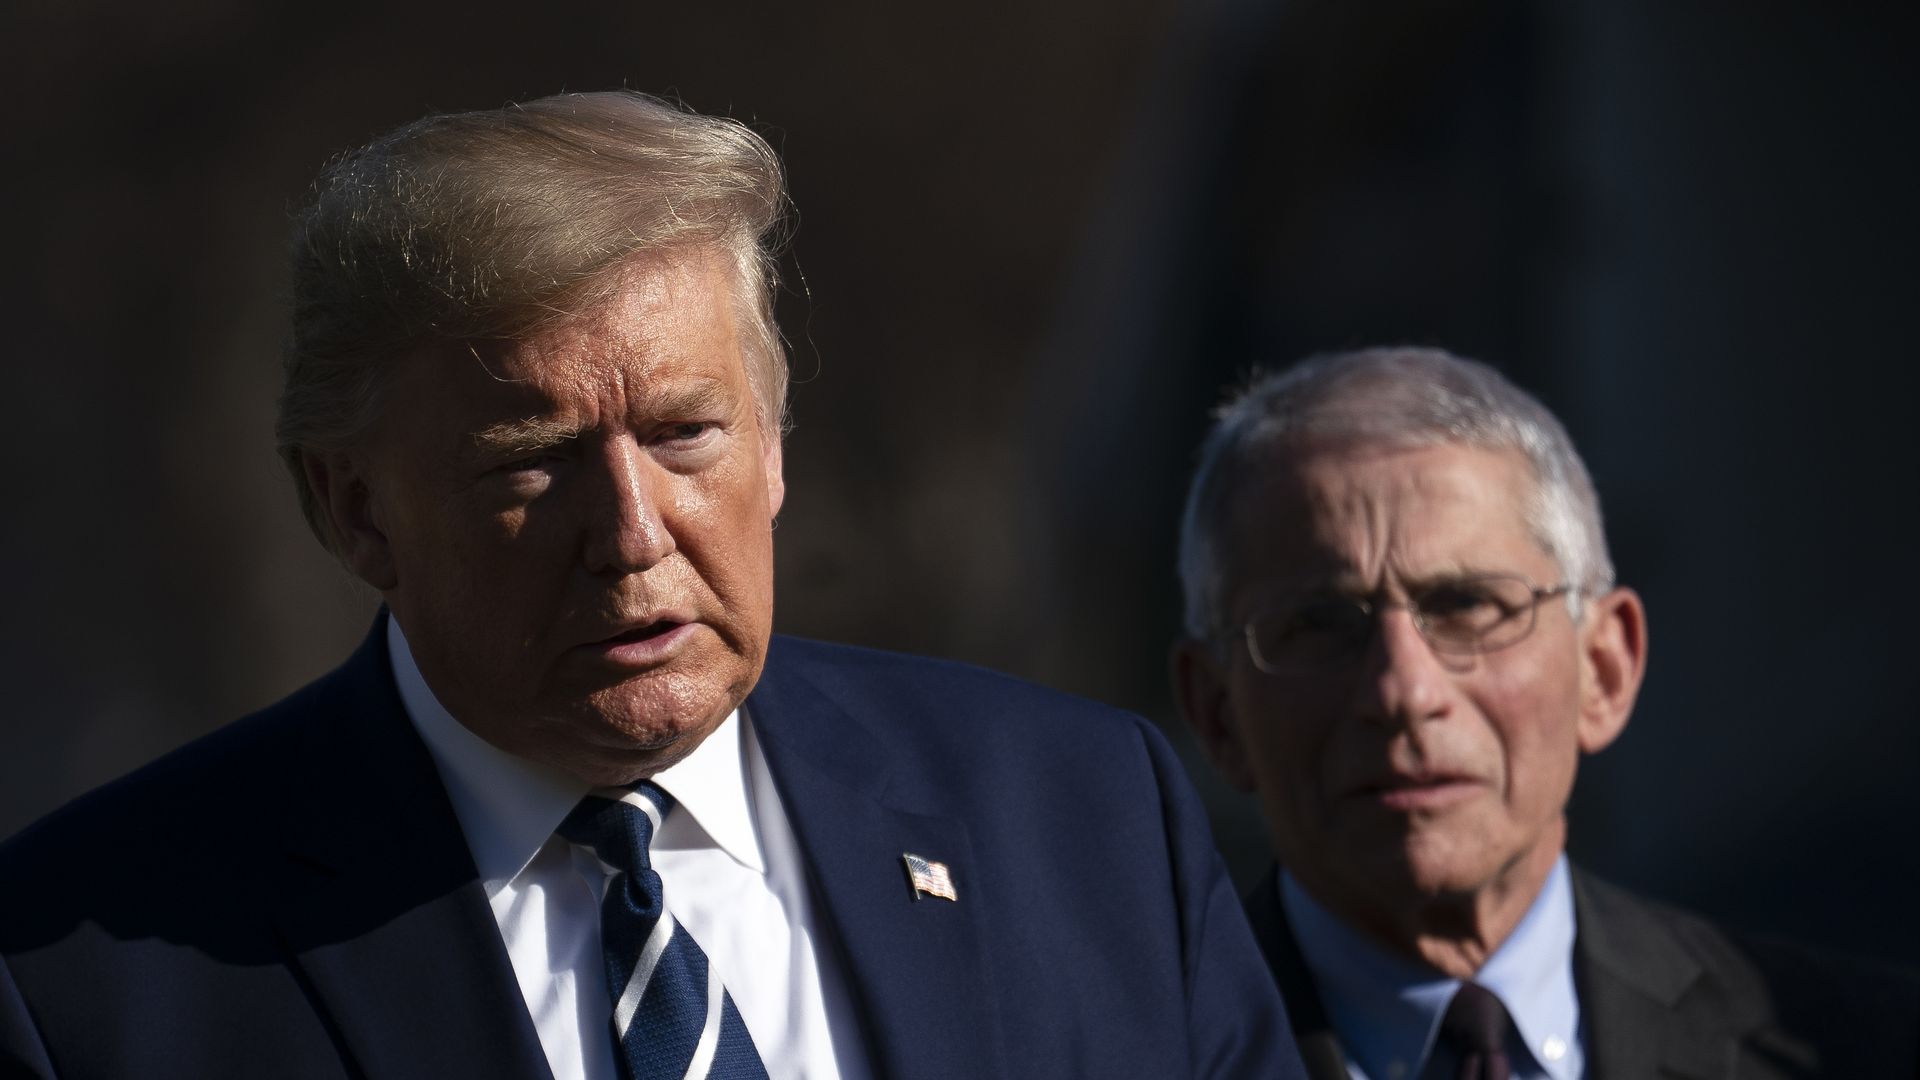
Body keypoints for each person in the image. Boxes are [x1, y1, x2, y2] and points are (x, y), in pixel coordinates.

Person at [0, 91, 1301, 1080]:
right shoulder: (81, 972)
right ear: (354, 510)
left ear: (777, 443)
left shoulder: (1086, 825)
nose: (631, 532)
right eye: (534, 460)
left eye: (685, 433)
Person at [1170, 347, 1919, 1079]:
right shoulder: (1120, 1054)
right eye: (1322, 624)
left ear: (1605, 669)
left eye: (1468, 606)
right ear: (1217, 713)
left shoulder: (1858, 1048)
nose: (1403, 692)